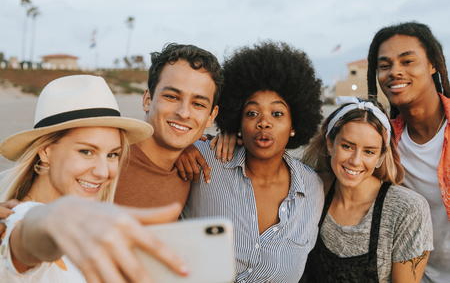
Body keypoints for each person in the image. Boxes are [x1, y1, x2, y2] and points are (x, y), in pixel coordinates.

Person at [0, 75, 189, 282]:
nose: (103, 172)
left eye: (112, 155)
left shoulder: (91, 233)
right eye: (86, 151)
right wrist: (52, 217)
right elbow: (27, 239)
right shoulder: (17, 222)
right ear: (45, 152)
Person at [180, 41, 324, 283]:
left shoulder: (312, 189)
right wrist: (181, 147)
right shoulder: (203, 160)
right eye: (252, 113)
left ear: (294, 126)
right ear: (237, 121)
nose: (263, 122)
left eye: (277, 114)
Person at [299, 97, 433, 282]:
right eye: (347, 146)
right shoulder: (310, 189)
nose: (355, 160)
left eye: (369, 151)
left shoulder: (407, 210)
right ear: (330, 144)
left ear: (380, 156)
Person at [367, 22, 450, 283]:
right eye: (384, 65)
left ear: (432, 64)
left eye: (407, 61)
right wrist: (238, 134)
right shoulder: (383, 142)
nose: (395, 72)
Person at [114, 43, 222, 209]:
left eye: (198, 104)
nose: (183, 113)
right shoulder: (109, 162)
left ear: (211, 117)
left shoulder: (191, 171)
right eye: (172, 97)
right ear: (147, 100)